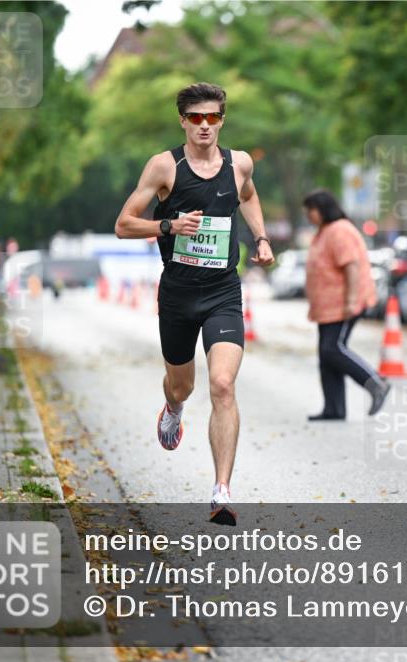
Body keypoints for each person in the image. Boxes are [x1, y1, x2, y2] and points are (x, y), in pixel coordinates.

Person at [114, 82, 274, 525]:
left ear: (222, 119)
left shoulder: (239, 163)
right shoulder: (165, 166)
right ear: (183, 121)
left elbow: (248, 195)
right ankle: (173, 408)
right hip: (179, 294)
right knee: (181, 385)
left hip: (223, 291)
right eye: (196, 118)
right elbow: (124, 225)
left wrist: (260, 236)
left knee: (223, 384)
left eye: (214, 117)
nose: (205, 126)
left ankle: (221, 490)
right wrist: (169, 225)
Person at [303, 190, 389, 421]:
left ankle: (376, 383)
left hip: (343, 303)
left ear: (322, 209)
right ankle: (334, 408)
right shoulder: (324, 232)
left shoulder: (339, 230)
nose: (308, 215)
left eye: (310, 210)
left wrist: (352, 300)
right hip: (327, 306)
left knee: (332, 348)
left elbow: (351, 266)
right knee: (326, 354)